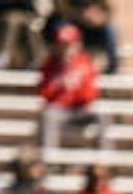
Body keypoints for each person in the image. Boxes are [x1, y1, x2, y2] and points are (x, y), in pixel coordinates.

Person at [39, 25, 107, 154]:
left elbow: (92, 96)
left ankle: (104, 160)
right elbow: (44, 94)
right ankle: (50, 159)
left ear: (78, 45)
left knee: (102, 115)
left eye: (69, 45)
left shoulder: (86, 63)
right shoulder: (50, 64)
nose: (65, 49)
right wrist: (59, 85)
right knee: (48, 115)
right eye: (62, 44)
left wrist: (77, 87)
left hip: (80, 110)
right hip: (60, 110)